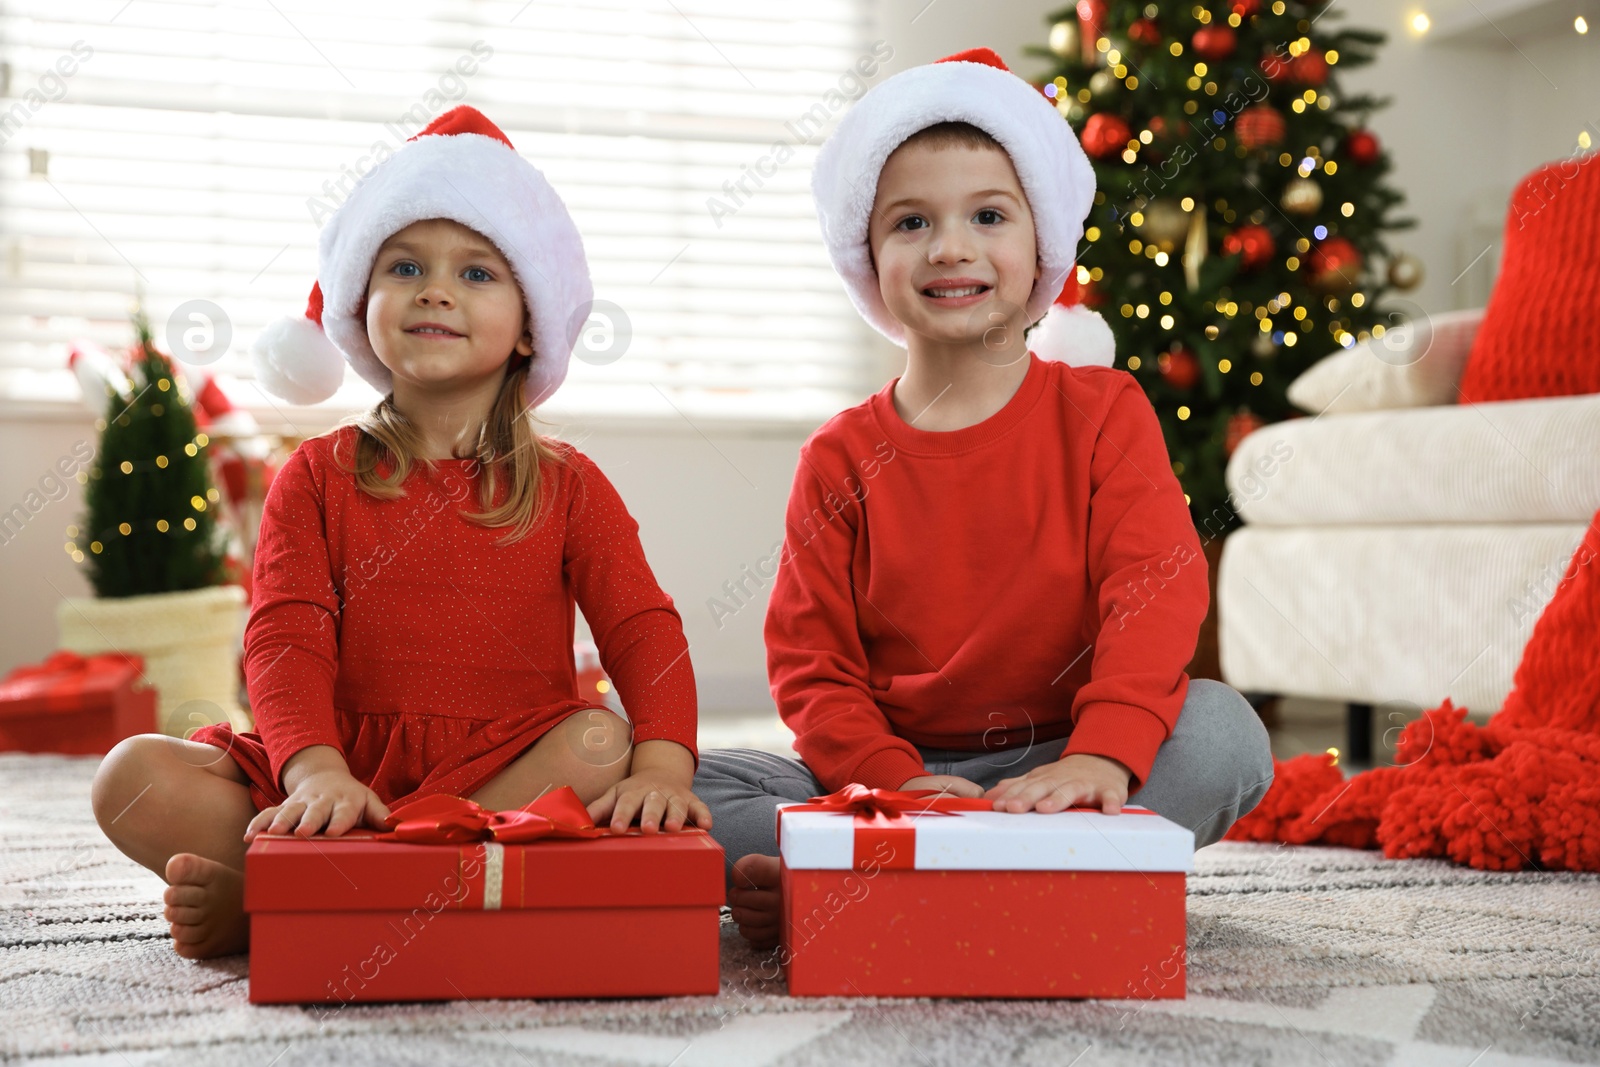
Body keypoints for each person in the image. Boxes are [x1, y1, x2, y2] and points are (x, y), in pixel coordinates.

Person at [90, 107, 708, 960]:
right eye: (405, 265)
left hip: (502, 771)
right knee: (130, 777)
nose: (435, 289)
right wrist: (312, 770)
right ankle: (372, 882)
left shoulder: (570, 486)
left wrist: (667, 765)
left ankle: (289, 900)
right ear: (359, 302)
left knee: (602, 747)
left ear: (531, 323)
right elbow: (284, 634)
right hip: (339, 768)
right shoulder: (314, 475)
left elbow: (642, 626)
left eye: (478, 272)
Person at [692, 49, 1275, 948]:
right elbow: (814, 669)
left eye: (988, 215)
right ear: (868, 256)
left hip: (1061, 761)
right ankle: (1017, 875)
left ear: (1041, 243)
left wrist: (1100, 754)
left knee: (1225, 733)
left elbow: (1154, 591)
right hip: (888, 780)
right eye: (912, 221)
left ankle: (868, 882)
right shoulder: (839, 456)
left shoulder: (1105, 413)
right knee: (682, 785)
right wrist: (897, 783)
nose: (951, 247)